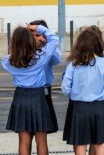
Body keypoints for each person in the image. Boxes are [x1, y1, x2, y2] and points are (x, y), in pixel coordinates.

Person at [2, 24, 60, 155]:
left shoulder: (8, 61)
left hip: (20, 96)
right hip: (38, 96)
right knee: (41, 140)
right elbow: (54, 39)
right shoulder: (40, 57)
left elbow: (10, 56)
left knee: (24, 140)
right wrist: (39, 28)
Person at [62, 27, 104, 155]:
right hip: (98, 107)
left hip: (79, 107)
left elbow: (65, 89)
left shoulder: (73, 64)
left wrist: (76, 92)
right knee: (99, 143)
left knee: (80, 143)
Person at [30, 19, 63, 153]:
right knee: (27, 135)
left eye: (40, 35)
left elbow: (57, 59)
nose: (37, 38)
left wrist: (47, 44)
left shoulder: (47, 48)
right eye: (34, 35)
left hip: (44, 91)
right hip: (30, 91)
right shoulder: (24, 50)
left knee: (42, 134)